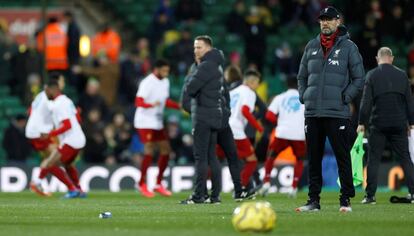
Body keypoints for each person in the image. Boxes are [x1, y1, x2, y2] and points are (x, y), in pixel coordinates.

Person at [296, 6, 365, 212]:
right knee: (314, 158)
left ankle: (345, 200)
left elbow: (359, 78)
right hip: (313, 112)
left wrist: (345, 97)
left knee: (342, 157)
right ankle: (313, 201)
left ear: (337, 21)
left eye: (329, 19)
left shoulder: (349, 47)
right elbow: (301, 76)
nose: (325, 23)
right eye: (322, 20)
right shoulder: (311, 46)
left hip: (337, 111)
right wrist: (304, 95)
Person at [358, 47, 414, 204]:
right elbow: (410, 102)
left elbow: (366, 102)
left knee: (373, 159)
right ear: (392, 58)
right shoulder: (402, 75)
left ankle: (370, 196)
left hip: (378, 124)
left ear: (377, 58)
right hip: (399, 124)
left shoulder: (372, 75)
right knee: (405, 158)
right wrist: (411, 123)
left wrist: (362, 122)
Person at [180, 35, 225, 204]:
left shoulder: (205, 67)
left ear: (208, 49)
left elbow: (190, 89)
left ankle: (199, 195)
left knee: (201, 157)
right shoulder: (217, 67)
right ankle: (214, 196)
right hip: (213, 115)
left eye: (199, 47)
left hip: (203, 117)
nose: (195, 50)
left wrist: (191, 77)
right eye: (194, 47)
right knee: (212, 156)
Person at [31, 78, 86, 199]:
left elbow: (67, 125)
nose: (46, 93)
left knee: (49, 163)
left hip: (71, 140)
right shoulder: (66, 100)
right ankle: (79, 190)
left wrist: (50, 134)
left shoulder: (58, 104)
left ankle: (38, 182)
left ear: (53, 89)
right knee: (68, 165)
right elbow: (78, 119)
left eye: (47, 91)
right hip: (77, 138)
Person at [134, 59, 180, 198]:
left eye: (168, 71)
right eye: (164, 70)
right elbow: (138, 101)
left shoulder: (165, 82)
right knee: (149, 148)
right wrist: (151, 105)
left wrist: (178, 106)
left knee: (166, 150)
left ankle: (158, 184)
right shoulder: (147, 82)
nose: (166, 73)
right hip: (144, 121)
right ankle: (141, 183)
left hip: (157, 121)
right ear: (157, 69)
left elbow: (165, 100)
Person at [259, 75, 306, 198]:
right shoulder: (305, 98)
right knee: (299, 160)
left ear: (286, 85)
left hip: (282, 133)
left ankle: (266, 182)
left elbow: (269, 115)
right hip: (299, 134)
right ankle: (294, 187)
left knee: (271, 156)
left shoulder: (280, 97)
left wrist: (279, 122)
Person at [222, 69, 263, 191]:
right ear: (252, 82)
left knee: (228, 157)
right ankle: (240, 188)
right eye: (257, 83)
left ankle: (203, 187)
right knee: (252, 160)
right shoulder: (250, 92)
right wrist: (258, 127)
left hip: (224, 126)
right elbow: (245, 110)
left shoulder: (233, 91)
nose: (257, 86)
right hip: (236, 130)